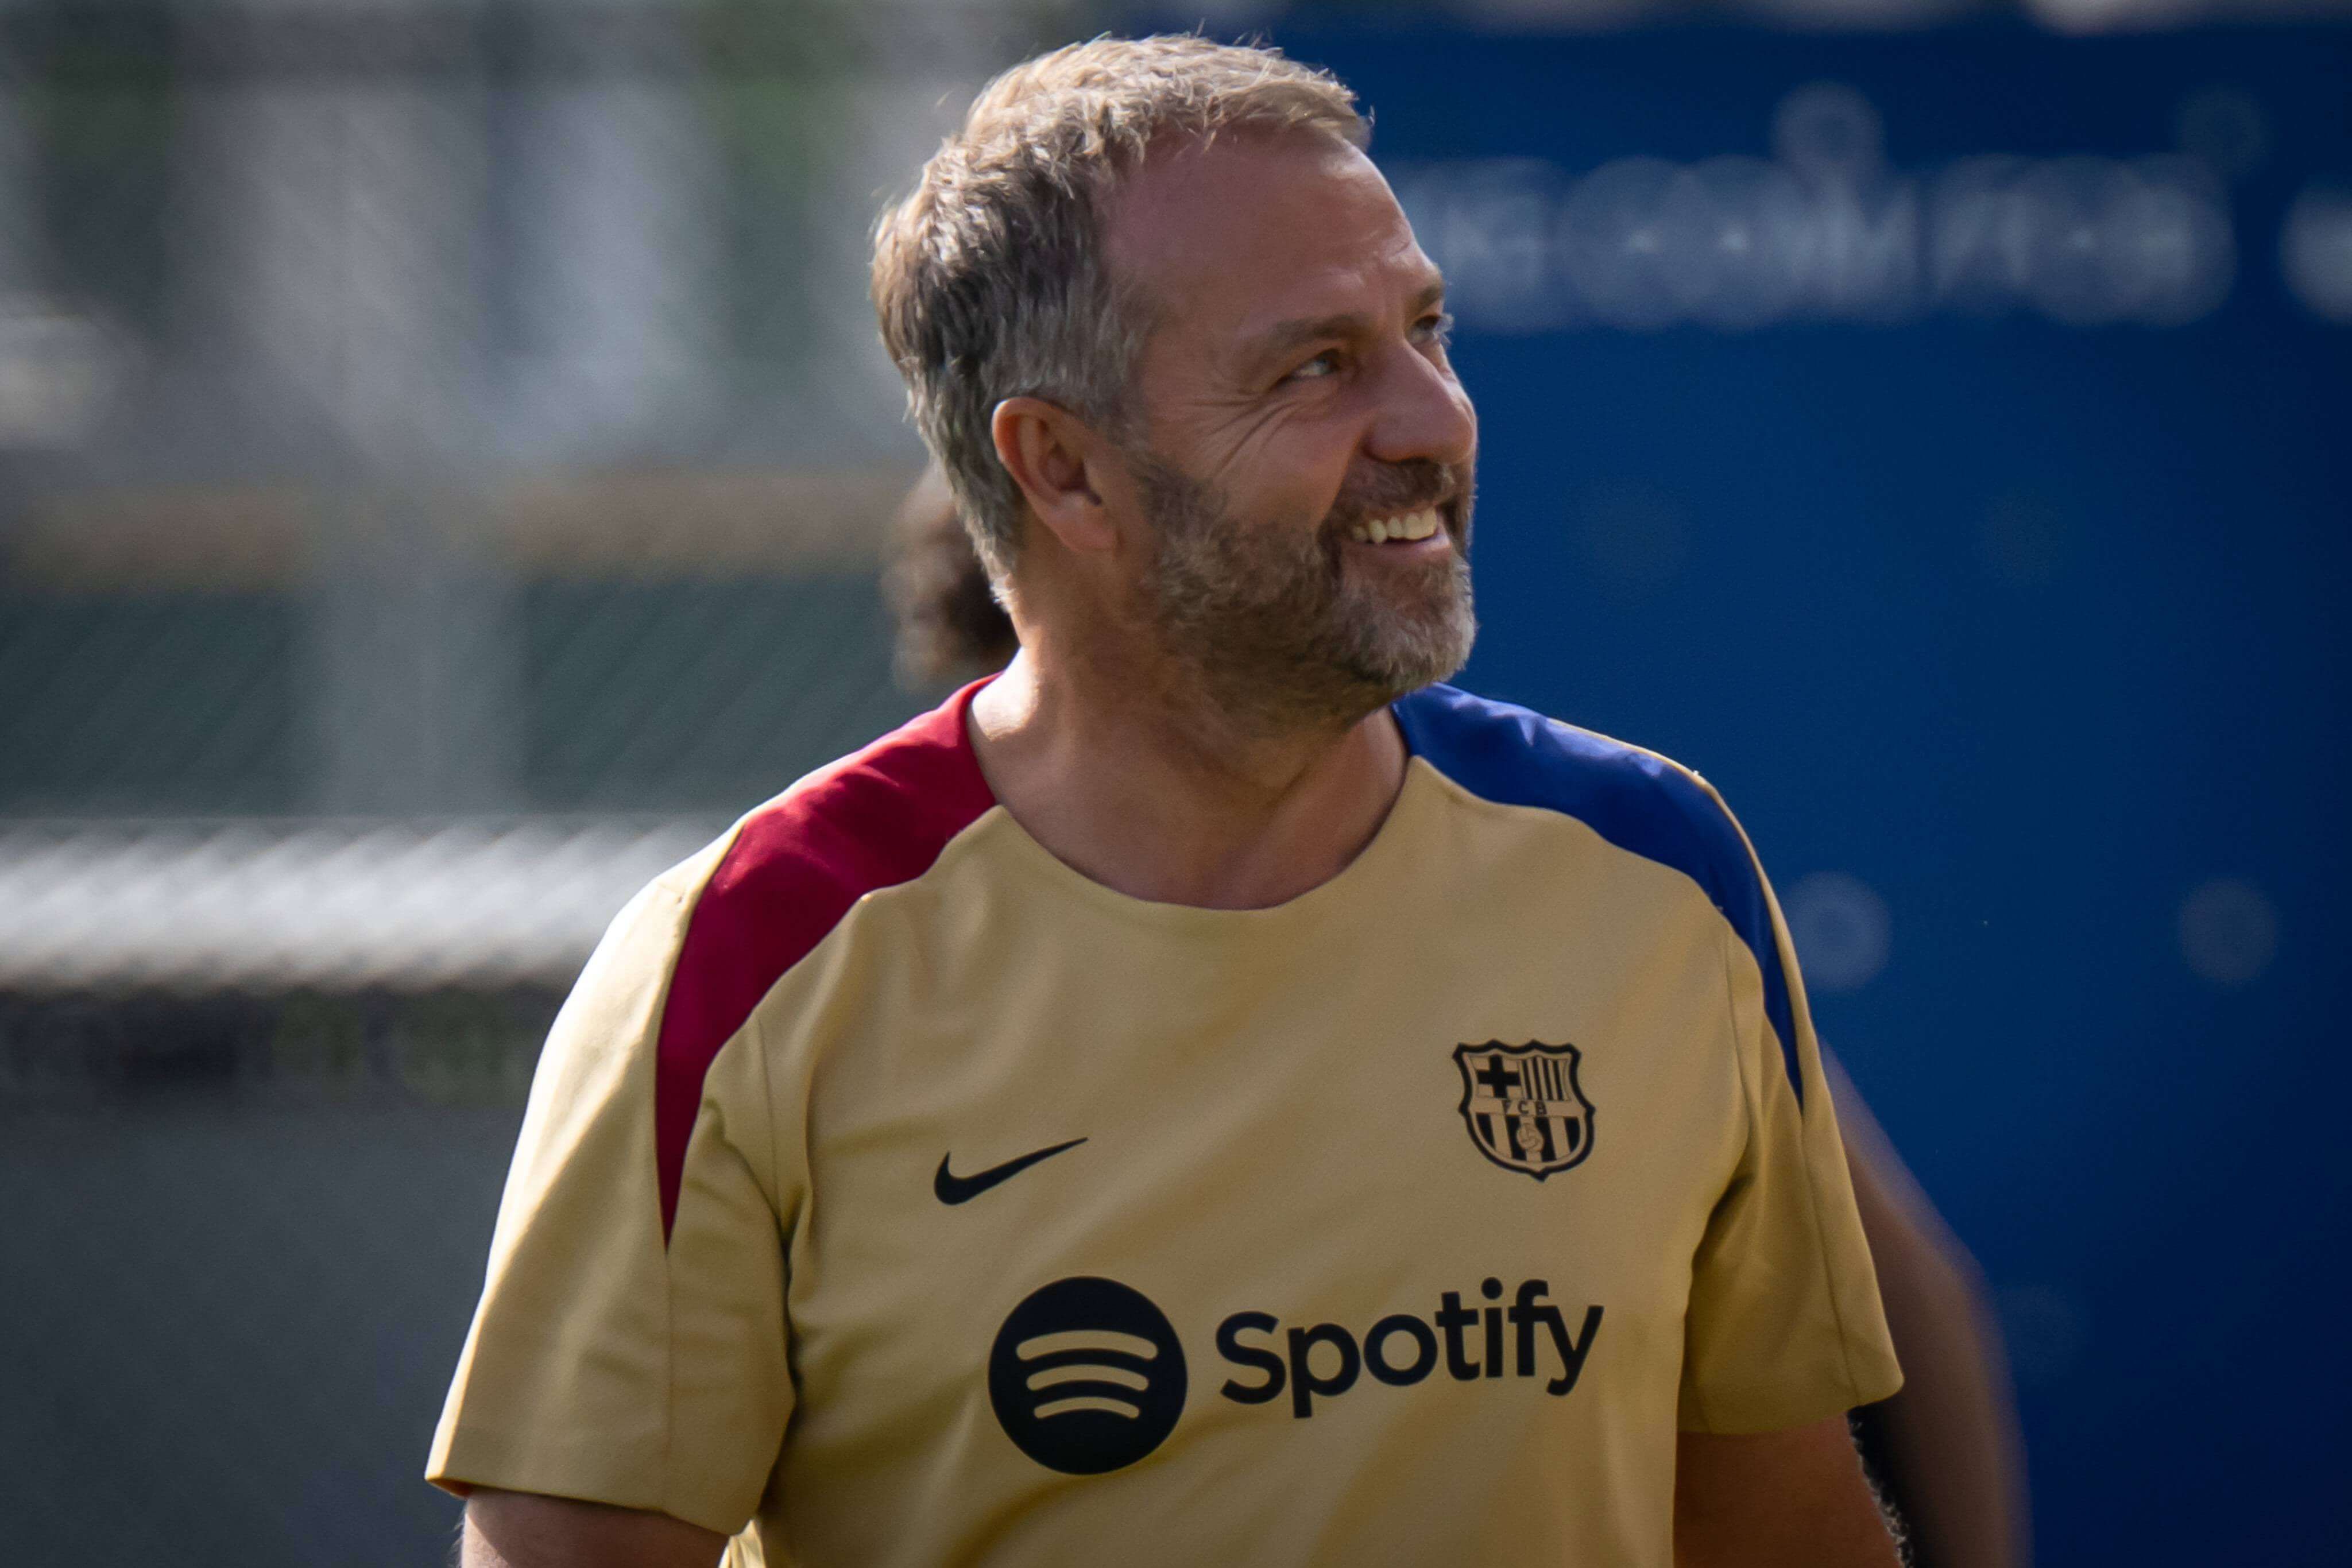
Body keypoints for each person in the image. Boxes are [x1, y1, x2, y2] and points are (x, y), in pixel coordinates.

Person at [432, 36, 1916, 1567]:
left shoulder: (1653, 871)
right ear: (1065, 470)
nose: (1434, 418)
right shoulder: (747, 966)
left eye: (1427, 329)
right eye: (1316, 366)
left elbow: (1783, 1519)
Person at [888, 478, 2034, 1568]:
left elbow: (1911, 1301)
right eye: (1055, 733)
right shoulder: (881, 1008)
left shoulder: (1580, 920)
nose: (1156, 790)